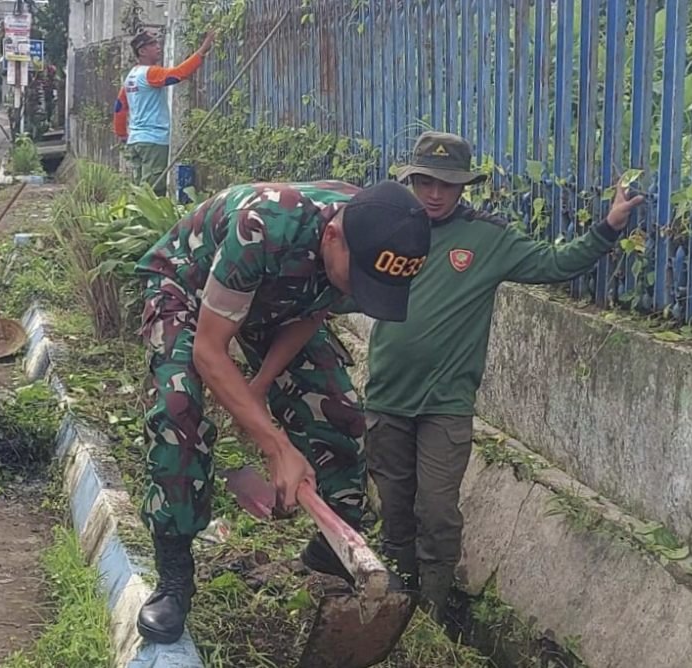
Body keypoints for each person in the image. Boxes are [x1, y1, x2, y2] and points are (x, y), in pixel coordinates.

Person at [364, 131, 646, 623]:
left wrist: (608, 227)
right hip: (387, 397)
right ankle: (397, 603)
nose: (435, 194)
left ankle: (431, 611)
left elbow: (554, 263)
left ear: (464, 187)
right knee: (394, 509)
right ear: (411, 181)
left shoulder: (488, 240)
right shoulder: (389, 228)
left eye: (447, 185)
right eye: (426, 182)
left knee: (438, 511)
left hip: (445, 404)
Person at [134, 180, 432, 644]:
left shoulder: (374, 237)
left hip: (276, 302)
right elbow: (210, 350)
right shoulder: (264, 225)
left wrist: (258, 388)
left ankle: (334, 552)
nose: (360, 292)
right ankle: (174, 576)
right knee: (179, 411)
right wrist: (276, 447)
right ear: (332, 236)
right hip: (188, 288)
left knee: (340, 414)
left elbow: (312, 309)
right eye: (358, 281)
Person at [113, 29, 215, 195]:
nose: (158, 46)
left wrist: (122, 134)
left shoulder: (132, 75)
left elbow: (120, 106)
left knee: (140, 191)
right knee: (153, 193)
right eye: (152, 44)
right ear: (142, 51)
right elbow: (177, 75)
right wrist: (203, 50)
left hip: (136, 141)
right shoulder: (150, 73)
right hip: (153, 141)